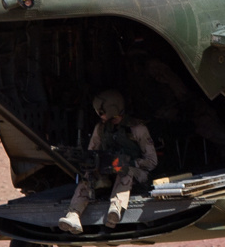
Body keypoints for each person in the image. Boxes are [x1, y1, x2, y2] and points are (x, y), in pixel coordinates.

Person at [57, 90, 157, 234]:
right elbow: (91, 153)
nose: (99, 115)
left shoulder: (137, 129)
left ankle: (115, 208)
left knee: (125, 170)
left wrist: (130, 162)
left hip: (138, 176)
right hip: (109, 173)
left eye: (101, 112)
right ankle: (73, 214)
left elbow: (152, 161)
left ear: (112, 109)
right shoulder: (101, 129)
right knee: (88, 176)